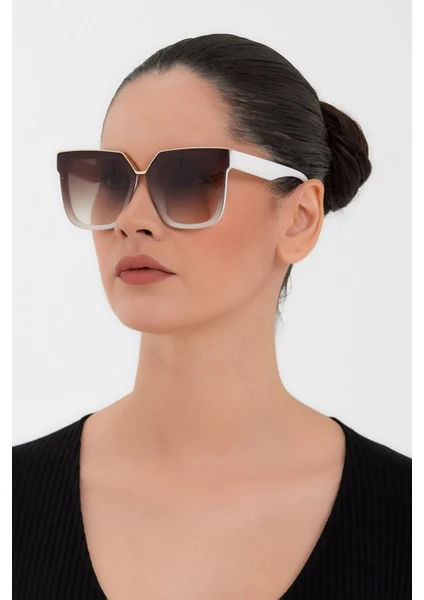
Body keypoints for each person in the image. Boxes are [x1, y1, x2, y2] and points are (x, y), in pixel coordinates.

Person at [13, 33, 411, 600]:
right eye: (110, 180)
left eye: (189, 178)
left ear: (299, 218)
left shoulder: (406, 518)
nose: (130, 218)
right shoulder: (12, 500)